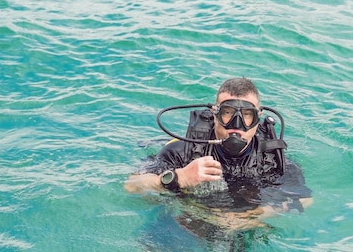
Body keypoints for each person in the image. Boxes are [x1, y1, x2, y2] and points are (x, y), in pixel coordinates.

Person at [125, 77, 313, 225]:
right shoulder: (183, 151)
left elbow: (304, 199)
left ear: (258, 118)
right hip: (186, 217)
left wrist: (250, 218)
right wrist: (178, 178)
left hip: (240, 222)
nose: (236, 125)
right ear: (215, 114)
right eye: (228, 113)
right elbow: (132, 185)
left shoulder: (271, 158)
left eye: (247, 115)